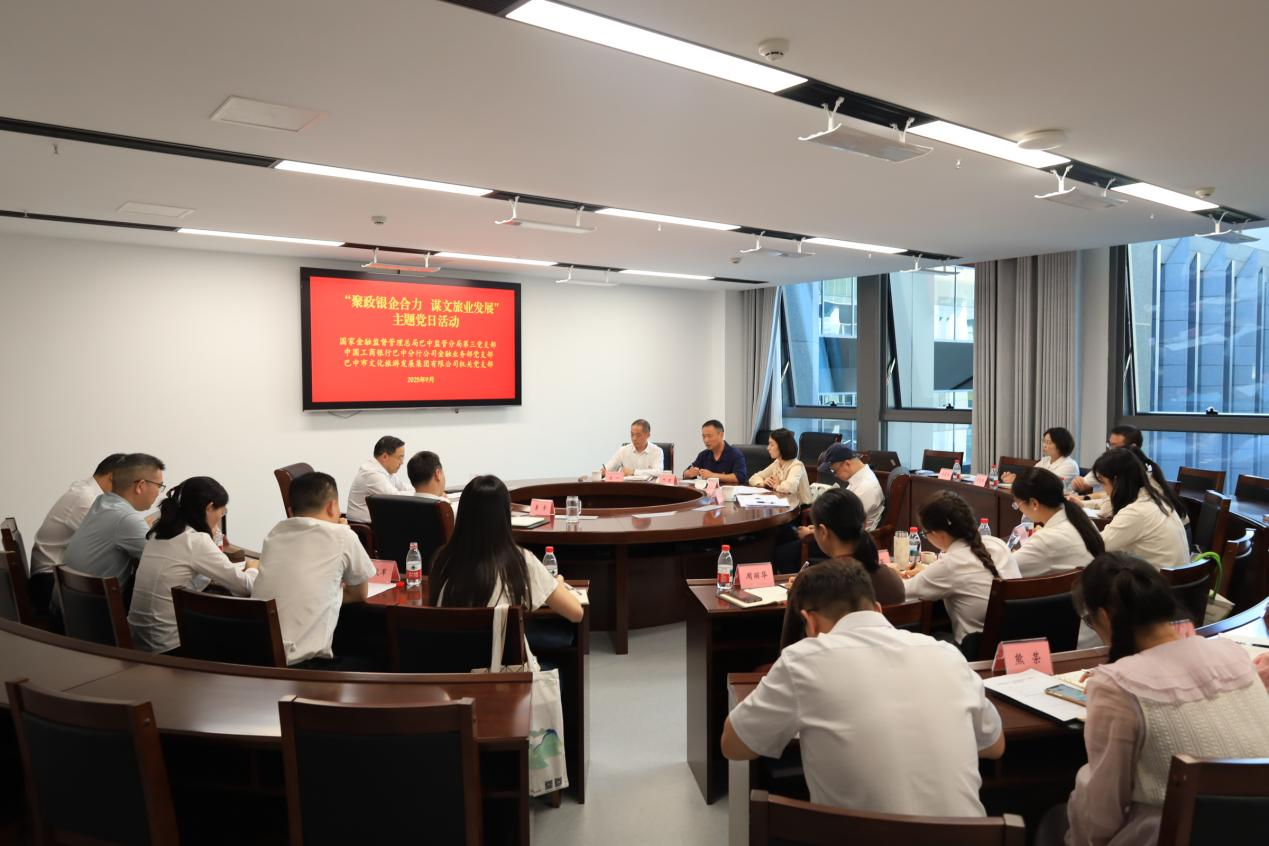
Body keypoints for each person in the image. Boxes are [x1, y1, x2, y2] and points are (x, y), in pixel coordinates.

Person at [722, 559, 1005, 817]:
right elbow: (995, 746)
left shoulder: (803, 660)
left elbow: (734, 745)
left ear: (810, 621)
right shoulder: (947, 654)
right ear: (878, 609)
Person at [1034, 553, 1269, 846]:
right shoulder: (1232, 653)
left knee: (1055, 819)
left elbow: (1100, 815)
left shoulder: (1117, 686)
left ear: (1104, 617)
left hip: (1169, 834)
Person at [429, 475, 584, 669]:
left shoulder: (442, 560)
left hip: (453, 674)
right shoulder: (520, 561)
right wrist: (556, 584)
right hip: (506, 678)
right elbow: (576, 613)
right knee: (562, 663)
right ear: (505, 515)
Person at [251, 472, 376, 668]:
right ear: (332, 506)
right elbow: (360, 593)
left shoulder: (274, 534)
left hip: (257, 658)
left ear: (291, 510)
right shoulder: (343, 536)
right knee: (375, 659)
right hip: (303, 667)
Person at [127, 477, 258, 653]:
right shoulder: (195, 540)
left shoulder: (158, 533)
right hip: (169, 647)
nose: (220, 517)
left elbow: (182, 584)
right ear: (209, 507)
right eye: (221, 512)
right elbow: (245, 586)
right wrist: (252, 568)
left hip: (138, 641)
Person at [778, 488, 906, 647]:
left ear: (823, 531)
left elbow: (789, 646)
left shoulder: (811, 582)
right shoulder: (892, 579)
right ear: (865, 524)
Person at [900, 491, 1020, 652]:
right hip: (1015, 644)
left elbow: (900, 592)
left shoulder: (949, 564)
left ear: (938, 534)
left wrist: (891, 573)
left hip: (975, 652)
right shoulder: (997, 544)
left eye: (925, 533)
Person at [60, 453, 166, 608]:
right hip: (95, 617)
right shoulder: (126, 519)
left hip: (68, 610)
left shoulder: (102, 502)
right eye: (159, 486)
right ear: (141, 486)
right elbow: (164, 564)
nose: (158, 492)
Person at [28, 453, 126, 613]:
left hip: (55, 578)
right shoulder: (86, 499)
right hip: (50, 584)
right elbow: (112, 542)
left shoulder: (86, 491)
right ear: (112, 477)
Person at [1093, 449, 1188, 570]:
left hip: (1158, 580)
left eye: (1103, 483)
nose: (1105, 490)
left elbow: (1097, 547)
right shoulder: (1157, 499)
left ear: (1117, 481)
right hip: (1176, 578)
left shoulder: (1136, 512)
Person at [1010, 467, 1105, 578]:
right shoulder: (1082, 520)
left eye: (1017, 504)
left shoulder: (1046, 539)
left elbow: (1003, 569)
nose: (1019, 509)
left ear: (1034, 504)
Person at [816, 443, 884, 530]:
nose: (835, 475)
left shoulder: (866, 487)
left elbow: (844, 522)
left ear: (847, 464)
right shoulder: (859, 479)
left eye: (834, 471)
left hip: (853, 536)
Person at [345, 435, 410, 522]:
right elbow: (396, 498)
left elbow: (405, 488)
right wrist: (420, 494)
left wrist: (420, 492)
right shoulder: (371, 473)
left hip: (376, 524)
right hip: (364, 527)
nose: (402, 462)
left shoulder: (387, 473)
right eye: (400, 457)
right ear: (385, 457)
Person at [1071, 425, 1141, 494]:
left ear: (1133, 447)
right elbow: (1084, 485)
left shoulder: (1140, 470)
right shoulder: (1108, 463)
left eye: (1115, 446)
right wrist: (1078, 484)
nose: (1110, 449)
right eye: (1110, 444)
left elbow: (1115, 495)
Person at [748, 428, 810, 505]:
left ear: (782, 446)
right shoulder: (777, 463)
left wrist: (776, 486)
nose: (768, 448)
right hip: (783, 504)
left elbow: (790, 487)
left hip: (801, 508)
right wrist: (763, 483)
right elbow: (753, 478)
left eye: (772, 445)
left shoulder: (797, 465)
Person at [1002, 427, 1080, 485]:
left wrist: (1018, 481)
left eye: (1049, 442)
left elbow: (1049, 485)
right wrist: (1013, 478)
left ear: (1061, 445)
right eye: (1044, 441)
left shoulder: (1069, 465)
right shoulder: (1045, 460)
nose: (1044, 445)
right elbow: (1030, 477)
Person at [682, 420, 747, 485]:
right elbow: (685, 473)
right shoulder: (703, 455)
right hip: (707, 491)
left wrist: (712, 475)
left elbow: (740, 477)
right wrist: (690, 473)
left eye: (709, 436)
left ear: (721, 435)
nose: (706, 440)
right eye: (704, 436)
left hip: (728, 491)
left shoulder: (735, 454)